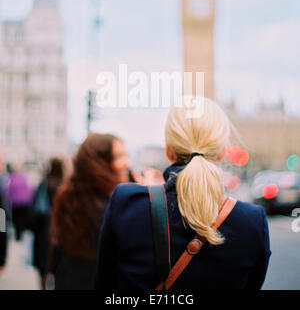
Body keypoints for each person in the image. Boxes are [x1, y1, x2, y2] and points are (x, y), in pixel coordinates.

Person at [94, 97, 272, 290]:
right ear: (222, 152)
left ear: (169, 151)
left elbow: (104, 285)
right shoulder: (253, 221)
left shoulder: (126, 203)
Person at [50, 132, 161, 290]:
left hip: (68, 280)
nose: (127, 163)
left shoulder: (69, 196)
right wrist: (147, 195)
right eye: (119, 157)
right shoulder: (109, 205)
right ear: (98, 163)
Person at [28, 158, 65, 288]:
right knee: (58, 271)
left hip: (42, 234)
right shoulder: (65, 186)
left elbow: (32, 213)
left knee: (43, 271)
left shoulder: (42, 185)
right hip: (60, 237)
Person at [4, 163, 33, 241]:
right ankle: (21, 232)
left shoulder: (11, 178)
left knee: (16, 219)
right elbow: (30, 190)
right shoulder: (23, 177)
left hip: (15, 203)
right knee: (21, 218)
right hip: (24, 203)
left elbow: (7, 191)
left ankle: (18, 233)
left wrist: (8, 199)